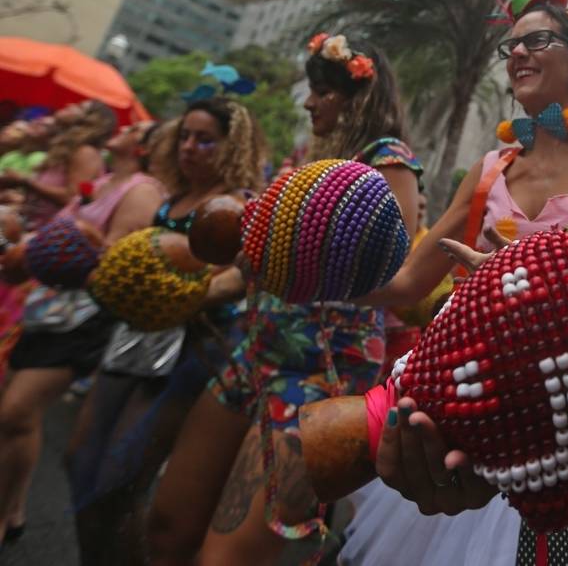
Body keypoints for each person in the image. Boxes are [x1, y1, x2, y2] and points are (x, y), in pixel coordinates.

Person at [340, 0, 568, 566]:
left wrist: (529, 279)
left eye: (537, 40)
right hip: (476, 407)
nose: (518, 53)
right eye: (511, 45)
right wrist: (317, 277)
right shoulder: (491, 168)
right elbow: (412, 281)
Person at [146, 35, 423, 565]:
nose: (309, 102)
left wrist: (289, 264)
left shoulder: (387, 163)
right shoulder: (304, 160)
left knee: (225, 559)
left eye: (322, 91)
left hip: (319, 373)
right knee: (167, 527)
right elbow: (252, 258)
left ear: (357, 96)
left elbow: (395, 277)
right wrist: (199, 285)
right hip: (253, 355)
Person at [67, 97, 266, 566]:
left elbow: (240, 278)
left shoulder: (238, 207)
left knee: (121, 478)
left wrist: (183, 296)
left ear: (232, 145)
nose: (190, 147)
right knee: (79, 459)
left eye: (205, 139)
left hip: (191, 352)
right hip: (132, 339)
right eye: (185, 136)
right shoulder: (168, 198)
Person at [0, 120, 161, 547]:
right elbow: (66, 225)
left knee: (16, 411)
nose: (124, 129)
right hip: (50, 309)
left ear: (142, 147)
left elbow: (115, 261)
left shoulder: (141, 191)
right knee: (14, 412)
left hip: (83, 321)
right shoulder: (108, 179)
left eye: (136, 129)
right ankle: (11, 510)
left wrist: (66, 241)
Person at [2, 101, 115, 229]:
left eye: (79, 107)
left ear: (90, 121)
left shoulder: (86, 153)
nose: (69, 105)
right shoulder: (69, 148)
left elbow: (72, 197)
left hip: (47, 232)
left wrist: (25, 181)